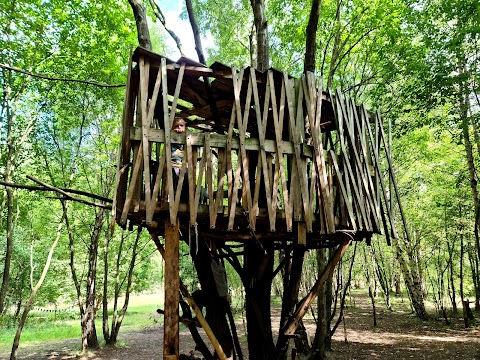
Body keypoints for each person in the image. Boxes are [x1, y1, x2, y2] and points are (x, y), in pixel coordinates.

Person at [171, 117, 189, 202]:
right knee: (174, 186)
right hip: (174, 165)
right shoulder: (171, 136)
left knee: (186, 186)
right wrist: (173, 133)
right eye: (176, 126)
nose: (179, 128)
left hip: (184, 166)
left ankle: (183, 204)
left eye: (181, 126)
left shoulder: (187, 138)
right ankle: (174, 203)